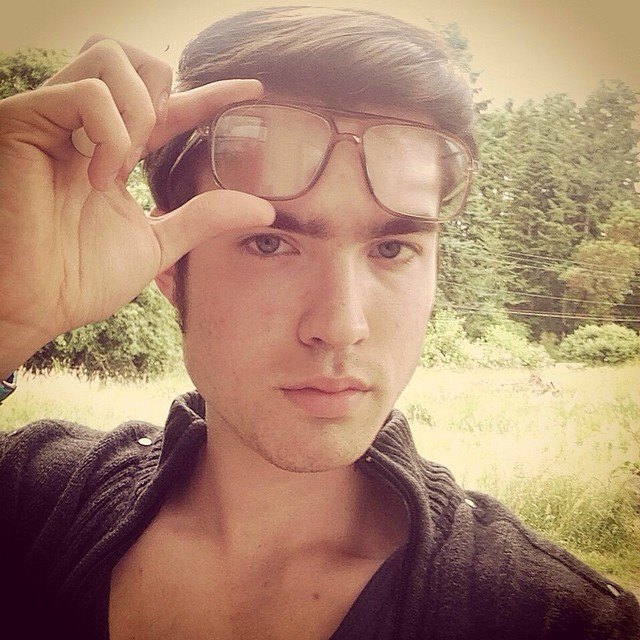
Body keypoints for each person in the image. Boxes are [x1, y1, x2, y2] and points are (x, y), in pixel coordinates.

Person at [0, 6, 638, 639]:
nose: (340, 326)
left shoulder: (557, 621)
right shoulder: (31, 501)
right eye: (269, 244)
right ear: (170, 262)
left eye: (392, 248)